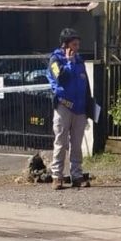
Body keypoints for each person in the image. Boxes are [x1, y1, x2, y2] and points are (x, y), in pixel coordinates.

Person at [47, 28, 91, 189]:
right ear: (65, 45)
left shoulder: (80, 61)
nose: (77, 48)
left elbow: (86, 84)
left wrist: (88, 105)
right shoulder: (55, 60)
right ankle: (57, 176)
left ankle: (77, 175)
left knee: (77, 144)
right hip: (63, 106)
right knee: (61, 142)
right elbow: (61, 78)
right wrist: (69, 62)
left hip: (79, 108)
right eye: (74, 44)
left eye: (78, 44)